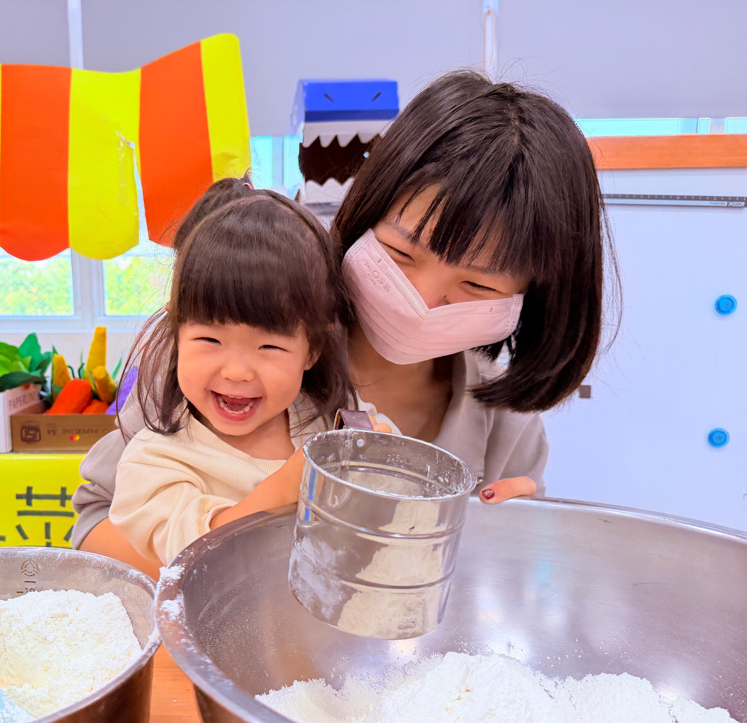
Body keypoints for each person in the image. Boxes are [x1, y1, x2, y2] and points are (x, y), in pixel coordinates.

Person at [74, 70, 614, 572]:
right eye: (401, 254)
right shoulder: (222, 355)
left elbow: (494, 588)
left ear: (533, 298)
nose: (422, 299)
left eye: (477, 286)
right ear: (363, 211)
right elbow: (96, 527)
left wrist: (505, 544)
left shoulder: (504, 424)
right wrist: (247, 542)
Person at [105, 179, 359, 568]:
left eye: (269, 347)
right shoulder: (155, 464)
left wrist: (382, 459)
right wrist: (287, 487)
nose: (237, 372)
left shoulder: (328, 422)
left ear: (312, 350)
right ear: (177, 335)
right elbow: (197, 559)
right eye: (210, 340)